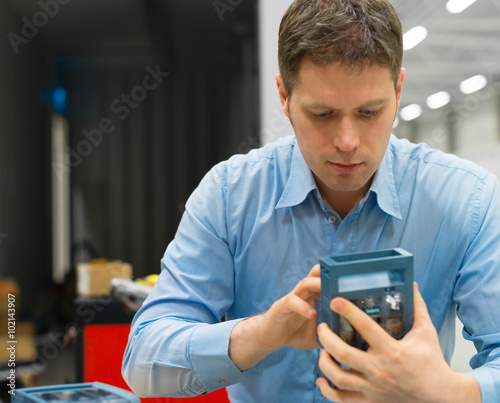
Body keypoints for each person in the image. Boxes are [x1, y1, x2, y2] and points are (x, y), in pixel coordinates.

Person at [122, 0, 500, 401]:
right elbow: (144, 362)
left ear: (398, 89)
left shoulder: (467, 201)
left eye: (370, 111)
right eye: (322, 114)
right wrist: (263, 333)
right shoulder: (230, 195)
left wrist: (448, 391)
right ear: (284, 96)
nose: (348, 141)